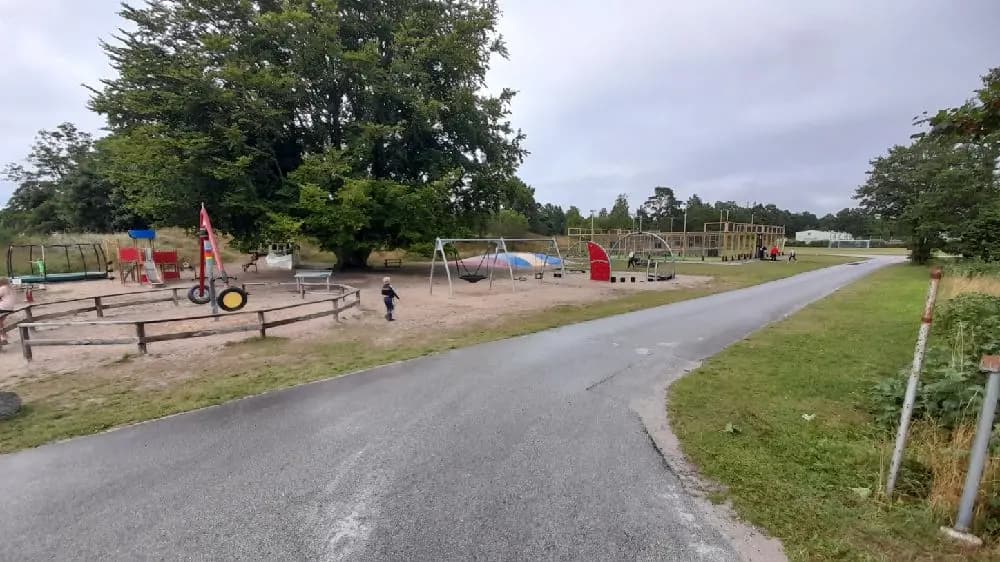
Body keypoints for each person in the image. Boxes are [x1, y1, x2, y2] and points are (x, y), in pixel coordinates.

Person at [0, 277, 15, 345]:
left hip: (3, 307)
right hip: (10, 307)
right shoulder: (10, 288)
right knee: (0, 321)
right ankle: (4, 335)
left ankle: (3, 336)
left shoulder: (3, 288)